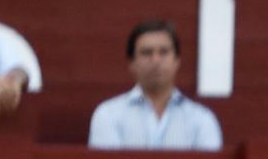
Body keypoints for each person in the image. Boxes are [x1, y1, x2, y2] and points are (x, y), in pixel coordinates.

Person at [87, 19, 222, 149]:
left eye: (163, 52)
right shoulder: (109, 115)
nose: (156, 60)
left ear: (177, 61)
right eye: (146, 53)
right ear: (132, 63)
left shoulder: (201, 119)